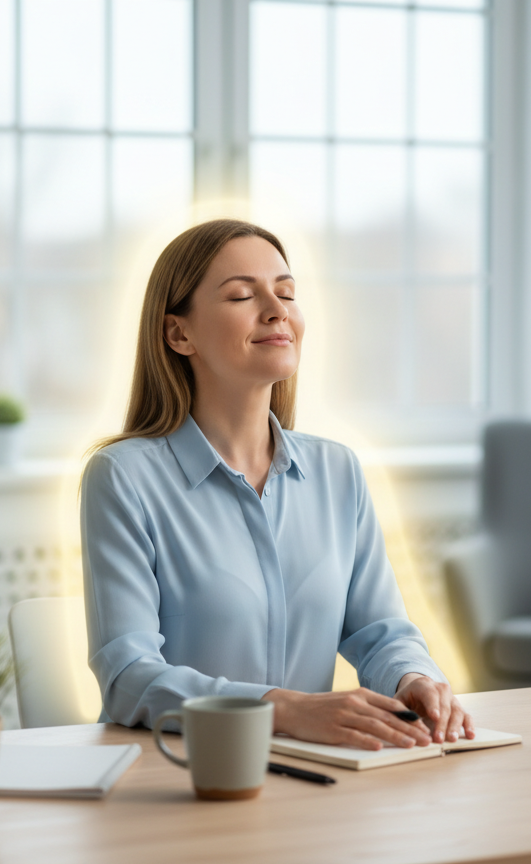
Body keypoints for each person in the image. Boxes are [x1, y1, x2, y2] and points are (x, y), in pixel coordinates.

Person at [81, 218, 474, 750]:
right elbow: (129, 676)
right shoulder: (123, 477)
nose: (277, 309)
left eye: (286, 292)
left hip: (314, 778)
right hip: (180, 775)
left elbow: (380, 632)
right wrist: (285, 710)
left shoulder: (338, 471)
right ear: (179, 333)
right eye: (243, 295)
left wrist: (414, 679)